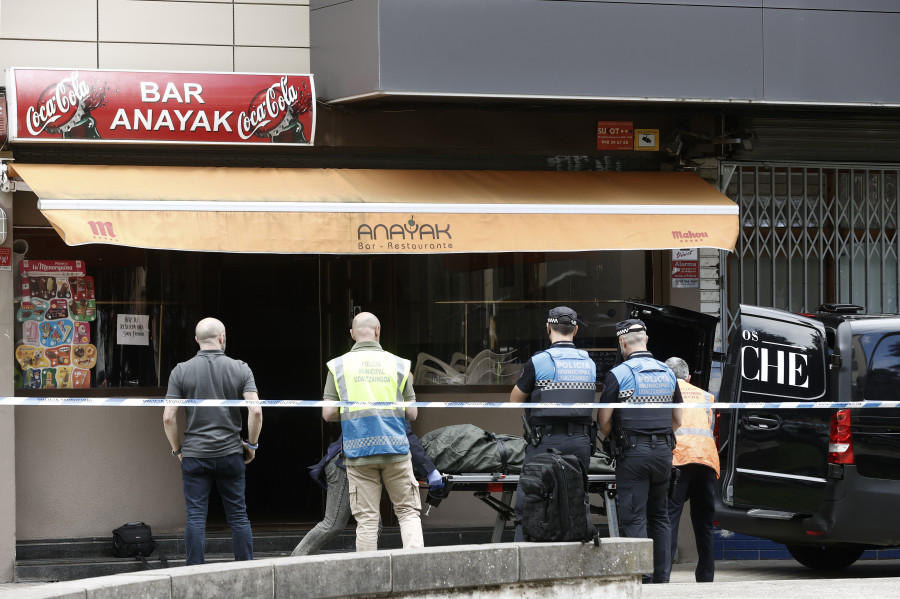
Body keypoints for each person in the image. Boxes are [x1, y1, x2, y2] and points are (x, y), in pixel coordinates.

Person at [163, 317, 263, 565]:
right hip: (230, 454)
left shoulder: (180, 370)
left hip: (195, 455)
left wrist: (178, 451)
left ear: (196, 340)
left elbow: (168, 418)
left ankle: (193, 573)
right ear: (222, 338)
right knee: (238, 516)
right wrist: (251, 445)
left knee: (195, 517)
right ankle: (246, 569)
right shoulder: (241, 368)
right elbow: (257, 411)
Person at [321, 312, 424, 552]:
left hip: (359, 451)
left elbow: (327, 414)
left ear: (352, 334)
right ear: (378, 331)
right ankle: (418, 573)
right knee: (408, 513)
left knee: (366, 520)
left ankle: (367, 581)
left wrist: (350, 413)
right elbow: (412, 414)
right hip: (396, 450)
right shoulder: (399, 364)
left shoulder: (338, 366)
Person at [598, 318, 682, 584]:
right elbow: (678, 420)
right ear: (646, 340)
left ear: (623, 342)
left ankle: (641, 576)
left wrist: (617, 436)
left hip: (633, 452)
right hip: (663, 452)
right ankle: (662, 577)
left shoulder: (618, 374)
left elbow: (604, 421)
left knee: (634, 515)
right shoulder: (667, 372)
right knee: (660, 514)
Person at [510, 306, 597, 541]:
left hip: (544, 442)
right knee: (574, 506)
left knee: (530, 503)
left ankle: (528, 569)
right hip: (580, 442)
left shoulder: (538, 361)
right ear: (576, 330)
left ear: (548, 328)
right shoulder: (589, 363)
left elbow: (514, 400)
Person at [291, 423, 442, 556]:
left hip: (355, 462)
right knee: (333, 524)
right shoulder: (384, 403)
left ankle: (368, 568)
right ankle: (293, 562)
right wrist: (429, 469)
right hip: (344, 464)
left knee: (372, 523)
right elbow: (406, 433)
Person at [662, 356, 719, 583]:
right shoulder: (707, 396)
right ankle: (706, 576)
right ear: (689, 377)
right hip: (706, 461)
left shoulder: (666, 395)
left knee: (669, 519)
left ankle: (663, 574)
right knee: (704, 522)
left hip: (680, 460)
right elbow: (710, 427)